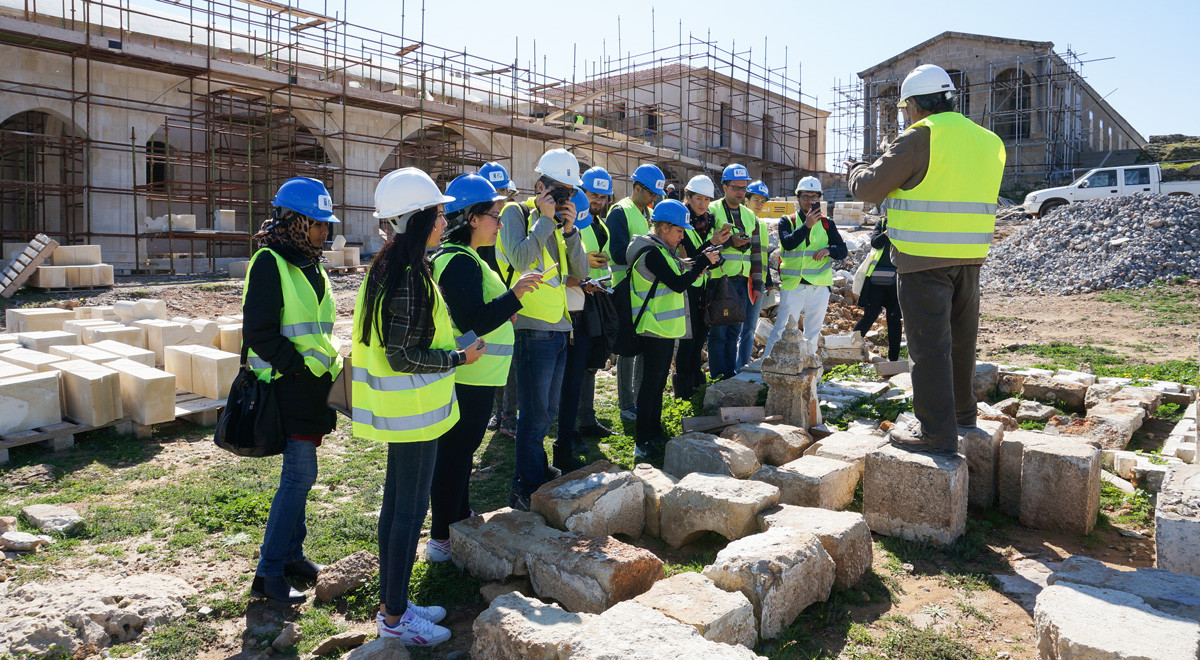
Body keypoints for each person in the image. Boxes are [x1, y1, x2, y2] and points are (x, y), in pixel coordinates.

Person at [351, 167, 484, 646]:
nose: (445, 221)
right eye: (438, 214)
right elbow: (402, 355)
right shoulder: (407, 277)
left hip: (409, 411)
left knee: (397, 509)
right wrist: (459, 358)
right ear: (417, 219)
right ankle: (394, 617)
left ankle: (396, 603)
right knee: (406, 514)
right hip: (413, 413)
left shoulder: (396, 267)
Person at [848, 64, 1005, 454]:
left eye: (905, 110)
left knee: (929, 347)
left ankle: (935, 433)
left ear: (915, 105)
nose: (906, 116)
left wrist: (857, 170)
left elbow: (869, 189)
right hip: (970, 258)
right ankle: (963, 417)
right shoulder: (989, 141)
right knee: (961, 343)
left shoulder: (920, 136)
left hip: (922, 260)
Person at [427, 173, 541, 562]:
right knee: (454, 455)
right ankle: (441, 538)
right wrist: (514, 296)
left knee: (461, 454)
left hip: (475, 375)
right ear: (472, 218)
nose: (500, 223)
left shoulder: (466, 257)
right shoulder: (459, 260)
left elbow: (471, 315)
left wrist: (504, 307)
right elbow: (471, 319)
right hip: (468, 376)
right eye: (495, 215)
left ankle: (457, 518)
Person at [244, 177, 342, 605]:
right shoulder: (269, 262)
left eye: (326, 224)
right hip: (287, 388)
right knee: (300, 477)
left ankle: (291, 557)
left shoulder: (311, 263)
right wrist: (298, 368)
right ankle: (268, 573)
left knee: (301, 478)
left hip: (312, 390)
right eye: (317, 223)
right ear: (294, 221)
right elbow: (259, 332)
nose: (324, 231)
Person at [495, 148, 590, 510]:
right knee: (533, 416)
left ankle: (536, 471)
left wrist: (570, 230)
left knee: (546, 412)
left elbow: (580, 273)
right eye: (560, 190)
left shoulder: (558, 225)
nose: (566, 198)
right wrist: (546, 220)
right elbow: (520, 259)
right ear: (540, 186)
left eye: (570, 192)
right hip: (532, 328)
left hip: (560, 327)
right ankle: (525, 485)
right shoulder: (515, 213)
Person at [627, 199, 719, 458]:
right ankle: (642, 441)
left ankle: (654, 432)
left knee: (657, 384)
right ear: (664, 227)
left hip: (663, 328)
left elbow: (680, 274)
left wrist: (700, 261)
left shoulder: (662, 250)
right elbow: (678, 284)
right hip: (653, 327)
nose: (682, 237)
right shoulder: (652, 253)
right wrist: (702, 263)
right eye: (679, 231)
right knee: (651, 385)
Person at [607, 163, 666, 421]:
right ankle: (626, 403)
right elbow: (618, 252)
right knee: (627, 348)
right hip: (625, 288)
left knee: (645, 344)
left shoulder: (648, 213)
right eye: (651, 193)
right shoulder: (620, 211)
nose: (654, 198)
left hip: (646, 289)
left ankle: (641, 399)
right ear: (638, 188)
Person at [765, 176, 848, 356]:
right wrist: (806, 226)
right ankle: (766, 366)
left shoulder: (827, 223)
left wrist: (829, 250)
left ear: (819, 198)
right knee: (780, 330)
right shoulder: (787, 221)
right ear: (798, 198)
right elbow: (788, 244)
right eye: (805, 196)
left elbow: (843, 250)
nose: (810, 201)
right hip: (793, 286)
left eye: (814, 197)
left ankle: (809, 369)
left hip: (819, 287)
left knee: (812, 334)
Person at [673, 174, 730, 399]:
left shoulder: (707, 222)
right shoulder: (680, 221)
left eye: (707, 199)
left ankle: (696, 386)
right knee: (688, 340)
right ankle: (683, 389)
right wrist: (712, 244)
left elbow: (705, 256)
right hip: (687, 287)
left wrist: (716, 252)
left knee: (699, 339)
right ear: (688, 197)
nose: (703, 204)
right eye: (698, 198)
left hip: (703, 287)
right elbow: (689, 257)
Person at [707, 163, 761, 380]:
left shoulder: (750, 216)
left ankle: (731, 375)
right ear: (724, 187)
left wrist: (758, 283)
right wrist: (730, 242)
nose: (740, 192)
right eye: (735, 187)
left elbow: (756, 253)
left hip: (742, 281)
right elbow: (705, 244)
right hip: (719, 279)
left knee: (734, 331)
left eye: (743, 188)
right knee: (718, 332)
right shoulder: (712, 211)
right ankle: (718, 376)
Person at [478, 161, 520, 440]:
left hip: (507, 295)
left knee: (509, 361)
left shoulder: (510, 221)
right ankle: (499, 409)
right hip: (486, 296)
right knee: (490, 355)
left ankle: (508, 413)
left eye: (503, 193)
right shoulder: (479, 226)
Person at [574, 166, 616, 439]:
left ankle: (586, 420)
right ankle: (576, 422)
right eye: (593, 195)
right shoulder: (573, 223)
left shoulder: (601, 226)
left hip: (597, 297)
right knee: (577, 363)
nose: (598, 201)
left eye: (602, 197)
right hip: (576, 299)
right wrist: (584, 262)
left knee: (590, 362)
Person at [738, 180, 776, 369]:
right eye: (756, 200)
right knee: (735, 328)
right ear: (746, 200)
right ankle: (731, 369)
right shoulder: (740, 220)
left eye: (762, 201)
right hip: (740, 279)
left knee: (750, 328)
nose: (759, 204)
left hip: (757, 282)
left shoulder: (761, 225)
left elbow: (763, 255)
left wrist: (768, 282)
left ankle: (742, 366)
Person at [853, 217, 903, 362]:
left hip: (896, 280)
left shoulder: (905, 224)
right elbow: (875, 243)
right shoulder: (881, 224)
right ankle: (850, 348)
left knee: (894, 318)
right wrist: (887, 232)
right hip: (876, 280)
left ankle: (894, 359)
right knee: (870, 315)